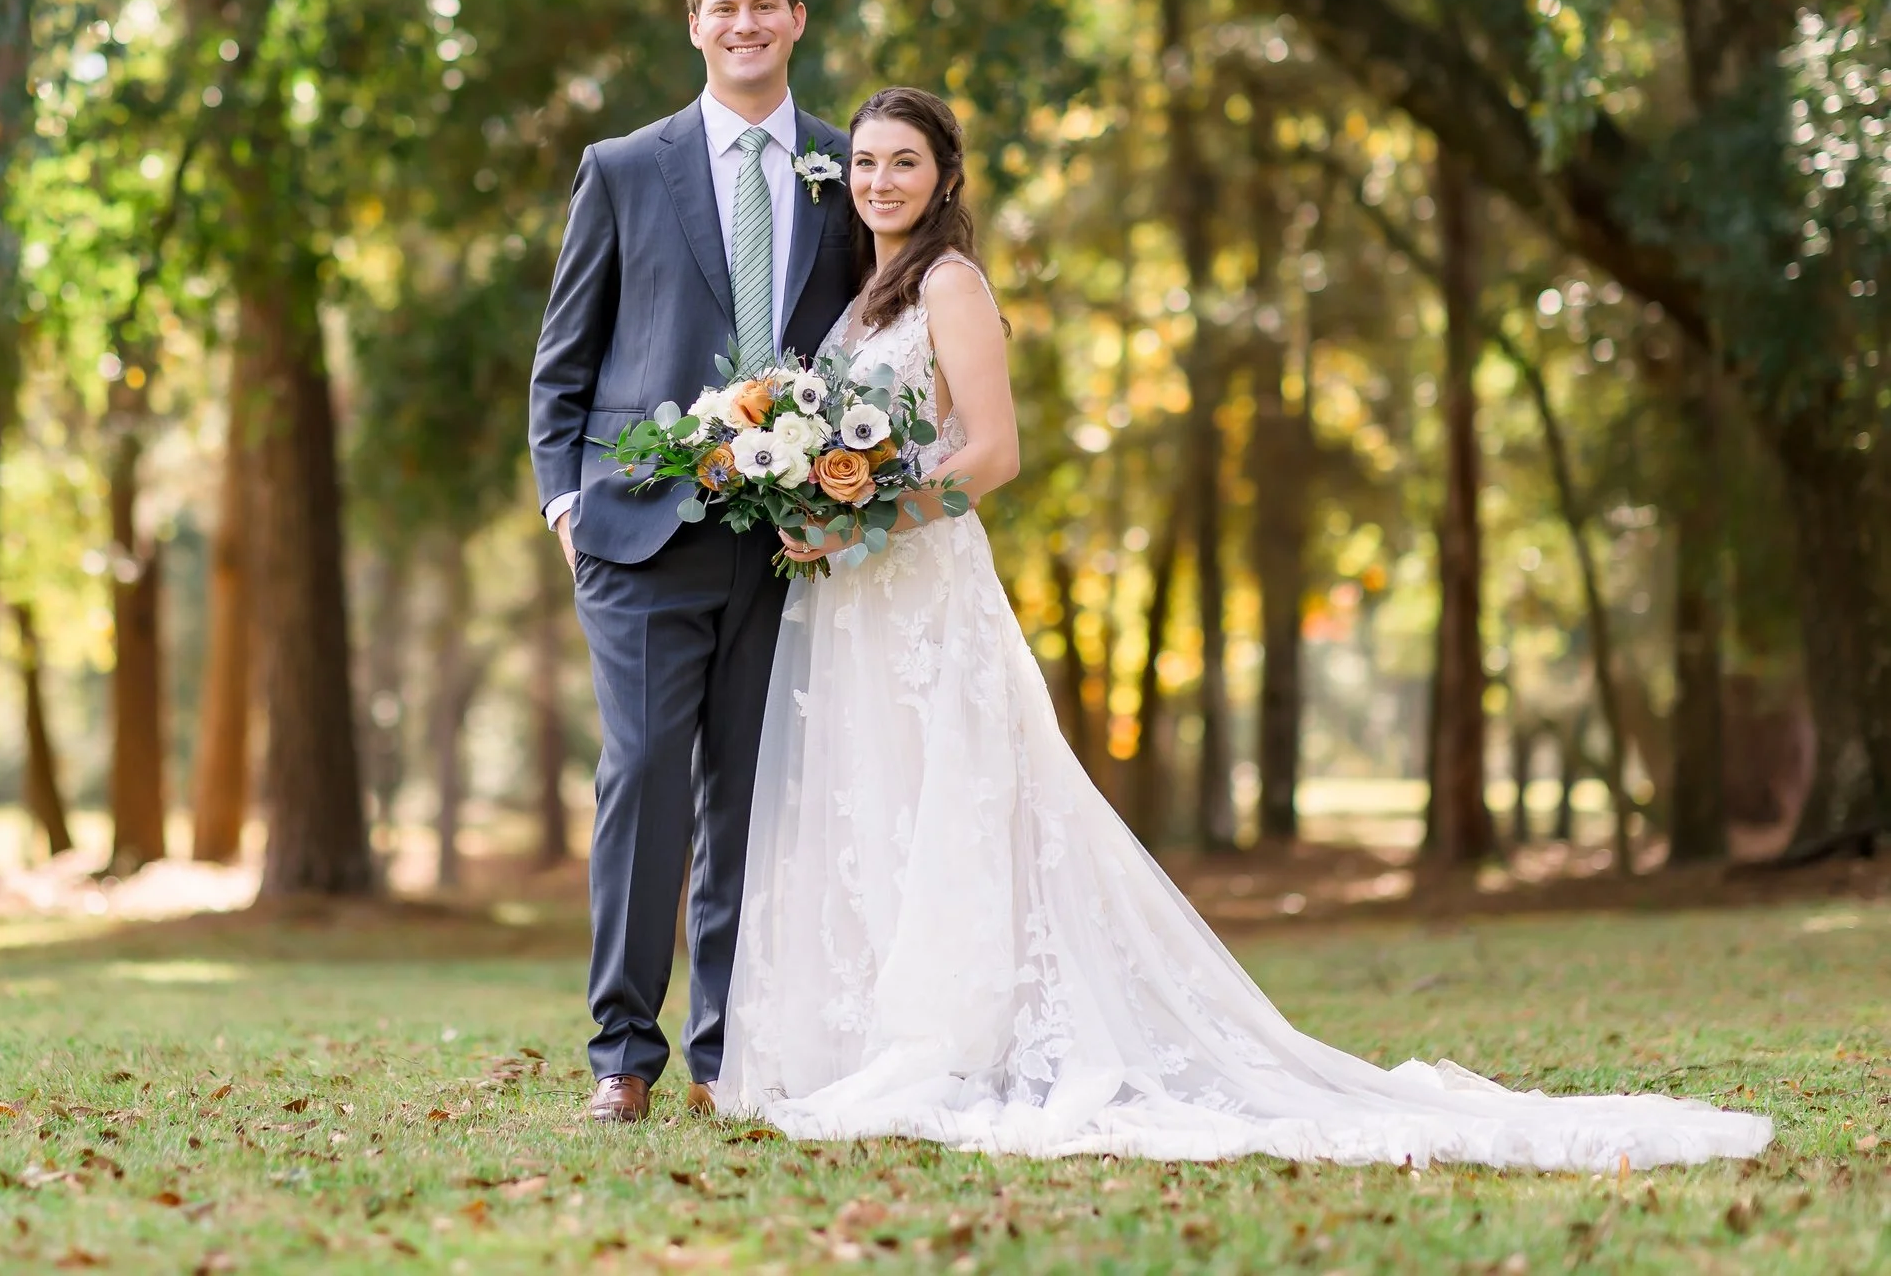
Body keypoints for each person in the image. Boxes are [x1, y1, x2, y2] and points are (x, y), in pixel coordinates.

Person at [710, 86, 1773, 1171]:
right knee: (880, 794)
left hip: (926, 587)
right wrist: (817, 503)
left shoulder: (950, 282)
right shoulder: (863, 293)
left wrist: (868, 516)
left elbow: (992, 453)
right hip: (858, 597)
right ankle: (878, 1030)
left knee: (954, 797)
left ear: (945, 178)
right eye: (867, 162)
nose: (881, 180)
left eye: (905, 162)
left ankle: (959, 1038)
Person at [527, 0, 860, 1123]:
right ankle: (622, 1051)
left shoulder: (846, 167)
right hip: (639, 531)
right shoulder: (624, 167)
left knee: (752, 794)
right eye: (724, 7)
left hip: (793, 538)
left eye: (765, 4)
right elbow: (563, 357)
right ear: (694, 24)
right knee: (643, 779)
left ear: (797, 19)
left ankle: (727, 1053)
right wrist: (566, 502)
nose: (744, 24)